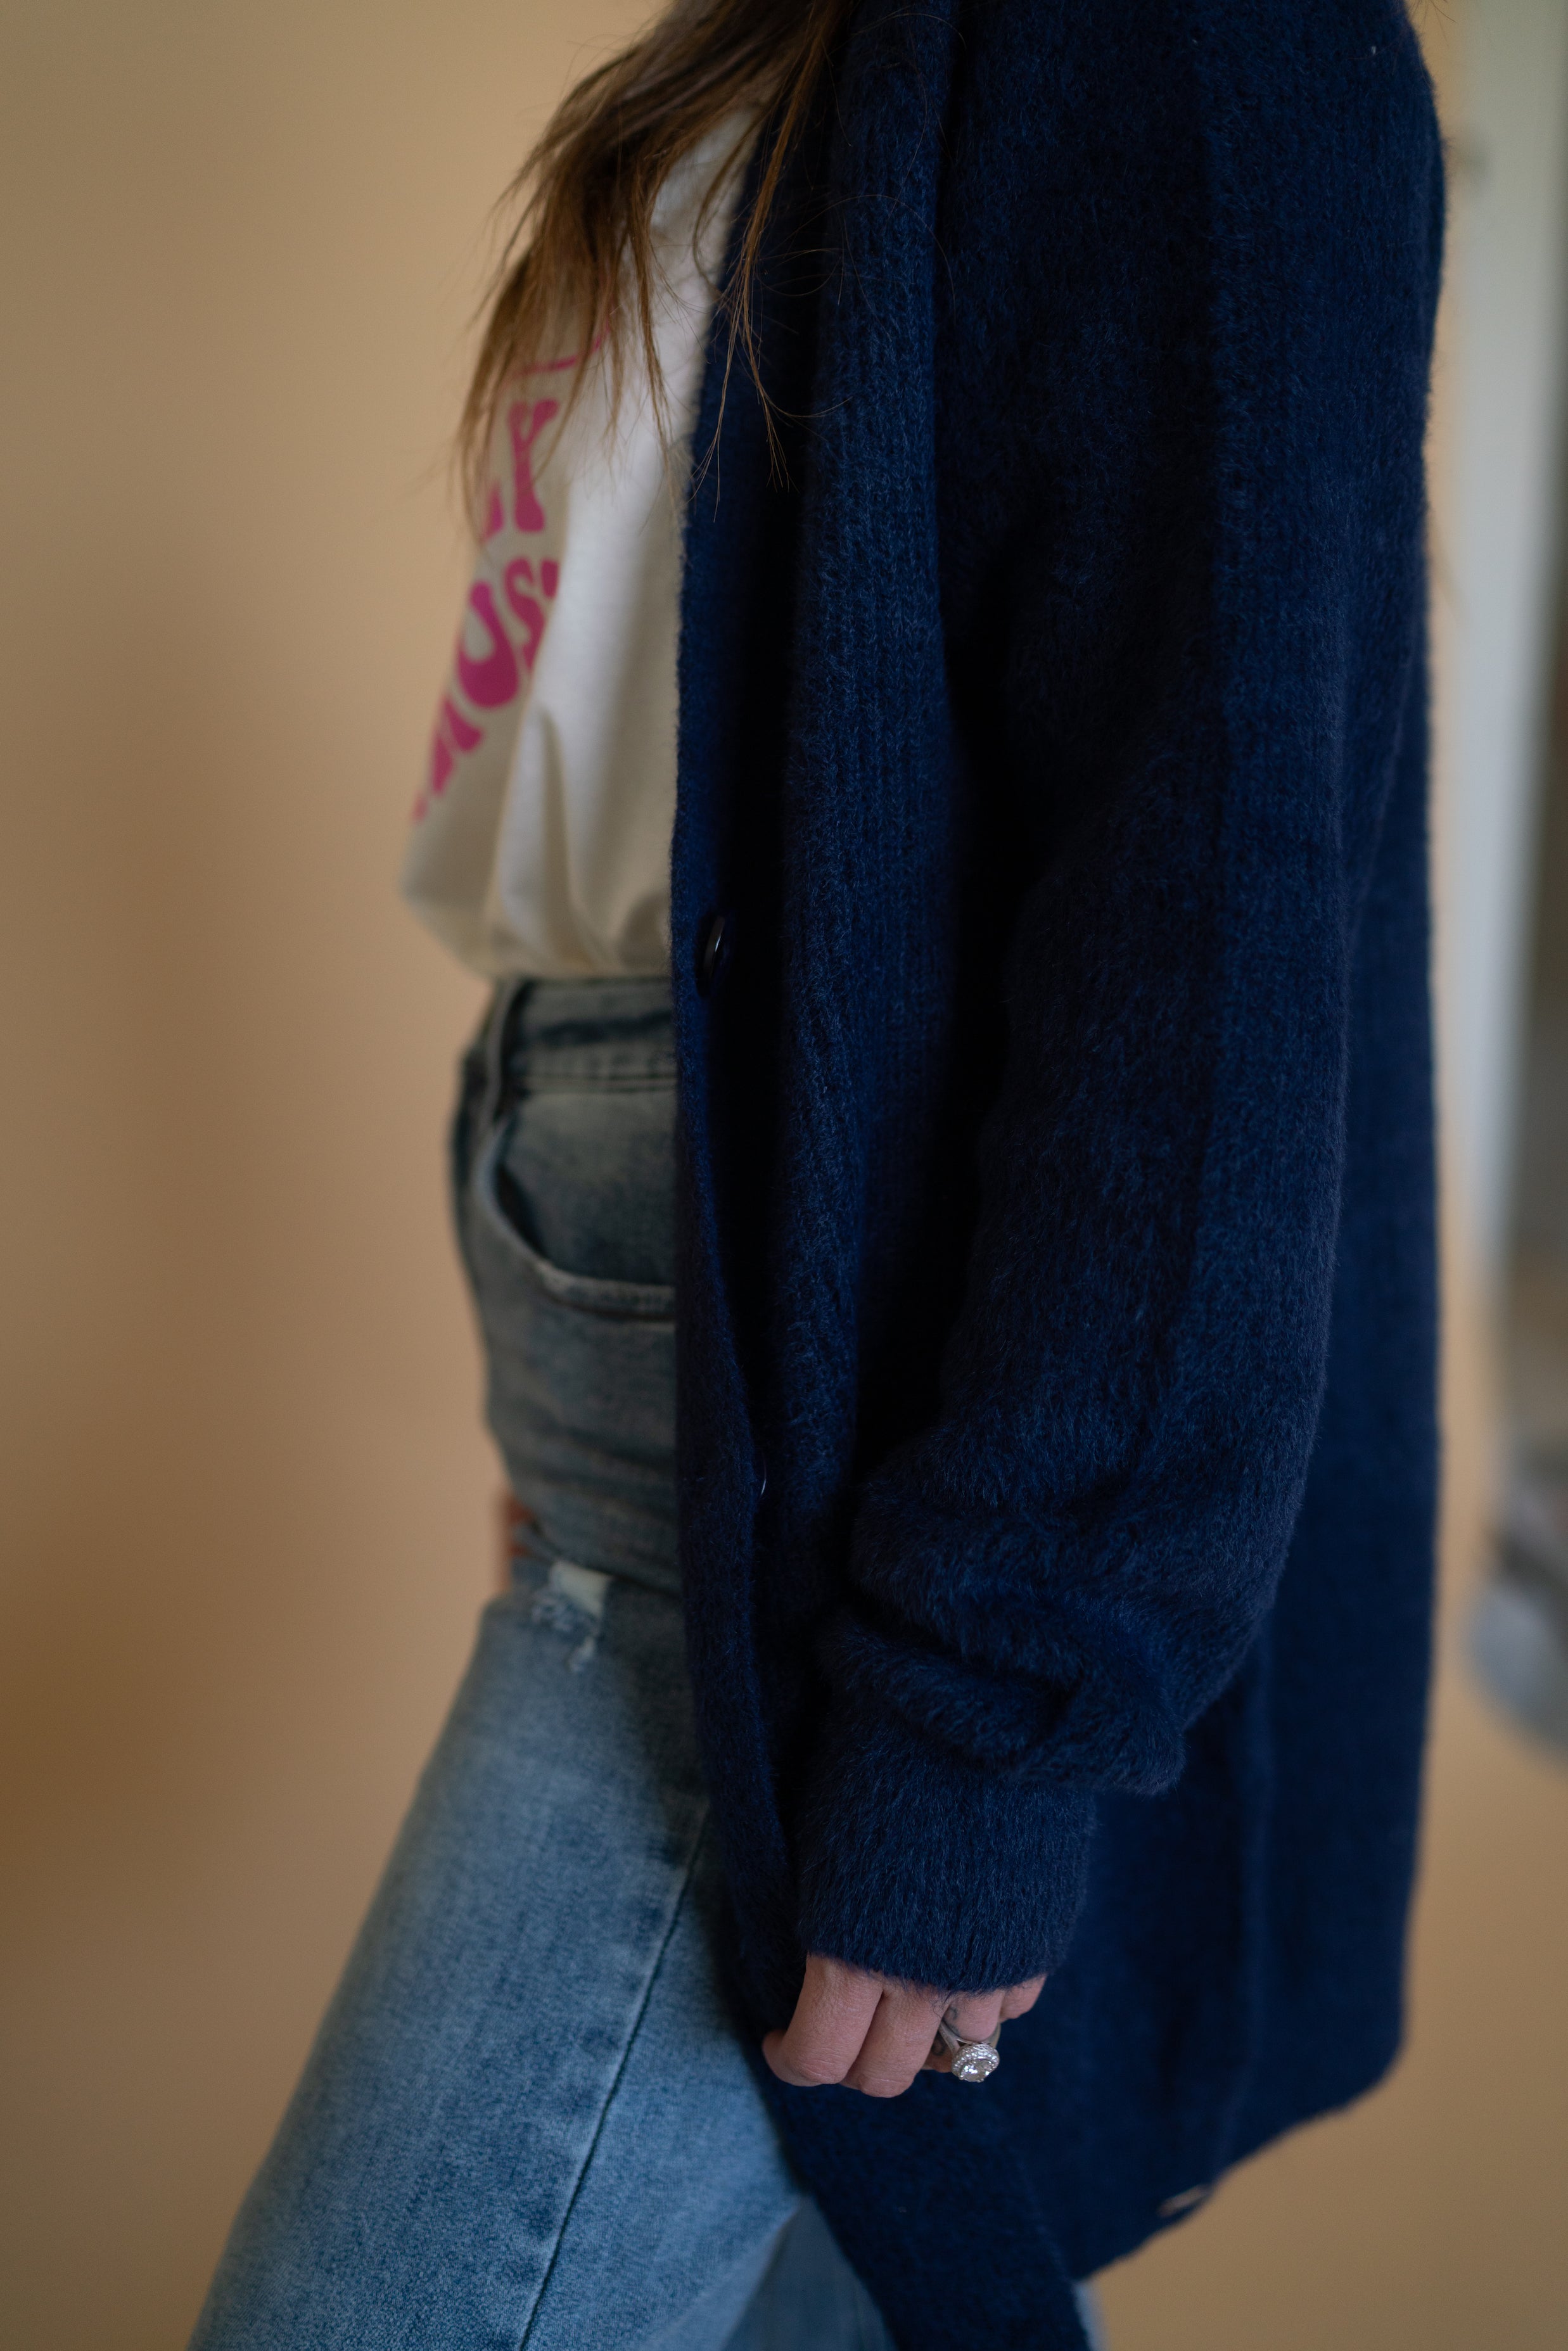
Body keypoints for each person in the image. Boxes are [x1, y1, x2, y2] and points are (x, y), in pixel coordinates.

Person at [191, 1, 1445, 2345]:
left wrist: (991, 1718)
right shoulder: (793, 37)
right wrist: (572, 1400)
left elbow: (1201, 931)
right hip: (667, 1359)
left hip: (817, 1408)